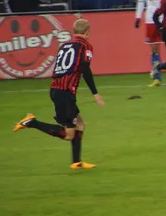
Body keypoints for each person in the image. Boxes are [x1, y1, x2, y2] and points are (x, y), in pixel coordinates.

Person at [12, 19, 105, 170]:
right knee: (69, 134)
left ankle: (77, 162)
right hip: (65, 93)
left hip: (58, 89)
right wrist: (95, 93)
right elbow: (85, 69)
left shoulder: (65, 45)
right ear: (87, 32)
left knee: (80, 124)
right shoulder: (85, 46)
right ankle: (31, 122)